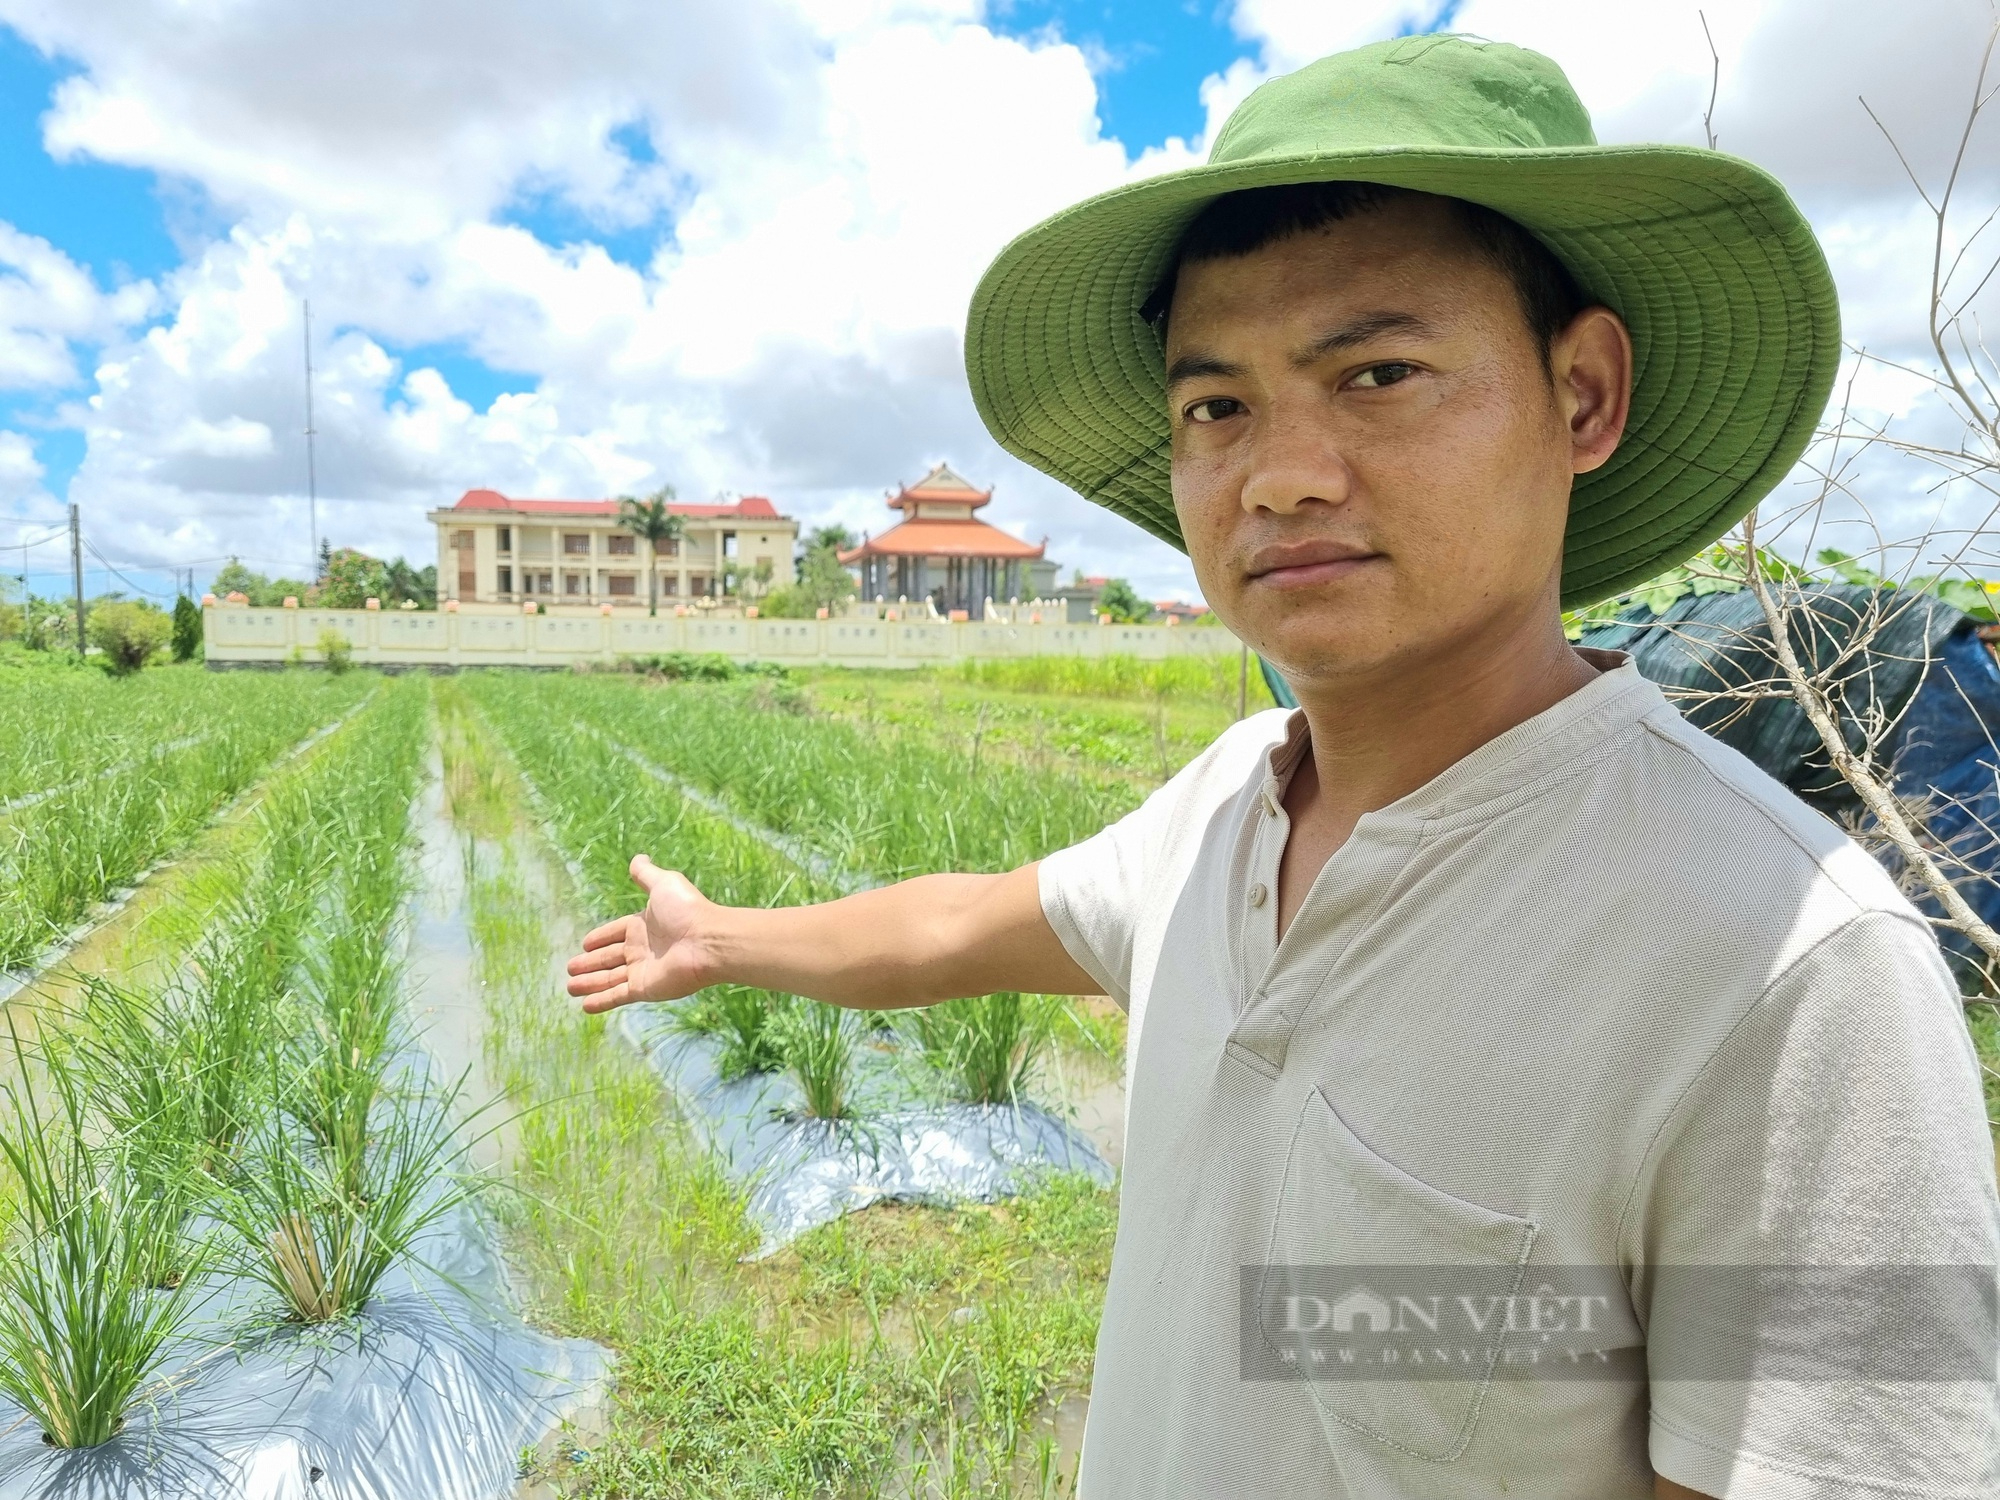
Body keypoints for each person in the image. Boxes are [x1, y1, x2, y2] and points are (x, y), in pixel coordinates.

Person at [567, 35, 1999, 1500]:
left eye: (1378, 372)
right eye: (1217, 406)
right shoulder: (1227, 805)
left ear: (1582, 395)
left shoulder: (1790, 973)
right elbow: (960, 923)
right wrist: (717, 940)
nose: (1279, 473)